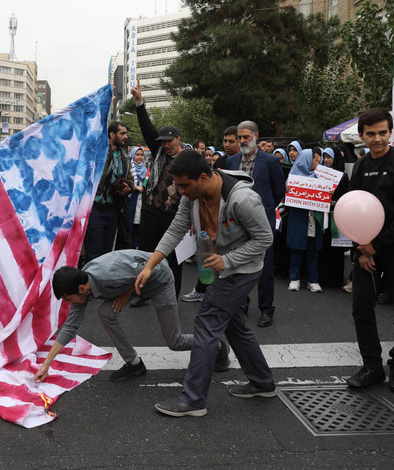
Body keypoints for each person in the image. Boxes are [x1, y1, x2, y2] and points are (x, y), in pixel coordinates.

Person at [136, 150, 276, 417]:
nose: (180, 191)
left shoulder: (243, 199)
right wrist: (150, 264)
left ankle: (193, 399)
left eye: (184, 185)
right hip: (219, 267)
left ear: (203, 177)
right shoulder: (194, 194)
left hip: (241, 270)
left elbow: (264, 239)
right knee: (234, 326)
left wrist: (228, 260)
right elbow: (177, 228)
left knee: (207, 322)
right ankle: (262, 382)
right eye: (177, 185)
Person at [347, 108, 394, 393]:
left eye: (382, 132)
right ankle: (372, 366)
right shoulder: (361, 166)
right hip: (366, 252)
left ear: (391, 132)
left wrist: (376, 245)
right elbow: (352, 209)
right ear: (361, 136)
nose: (377, 139)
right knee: (361, 309)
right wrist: (362, 249)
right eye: (371, 134)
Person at [35, 250, 201, 383]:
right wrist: (46, 365)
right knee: (105, 312)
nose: (69, 303)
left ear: (81, 288)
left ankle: (214, 345)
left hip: (159, 279)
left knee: (175, 342)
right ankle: (134, 363)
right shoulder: (83, 284)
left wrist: (126, 293)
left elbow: (151, 267)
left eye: (69, 299)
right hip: (132, 283)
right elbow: (70, 327)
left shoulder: (111, 276)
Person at [223, 120, 285, 326]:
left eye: (246, 137)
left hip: (262, 223)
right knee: (239, 266)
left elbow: (279, 193)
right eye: (239, 137)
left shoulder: (270, 162)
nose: (242, 141)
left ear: (256, 137)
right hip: (236, 224)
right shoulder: (231, 162)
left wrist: (262, 212)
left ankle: (267, 309)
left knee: (265, 268)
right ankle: (242, 305)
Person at [130, 82, 185, 302]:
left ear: (178, 138)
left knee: (172, 258)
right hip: (151, 212)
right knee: (146, 255)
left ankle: (172, 295)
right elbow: (147, 128)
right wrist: (139, 103)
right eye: (163, 142)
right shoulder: (159, 153)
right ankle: (142, 293)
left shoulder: (190, 159)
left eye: (170, 140)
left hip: (174, 216)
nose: (167, 145)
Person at [82, 122, 131, 263]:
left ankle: (102, 284)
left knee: (107, 253)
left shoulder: (125, 158)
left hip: (113, 210)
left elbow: (131, 181)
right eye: (122, 133)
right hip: (96, 208)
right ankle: (90, 282)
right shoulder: (100, 153)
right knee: (94, 251)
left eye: (126, 133)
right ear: (111, 134)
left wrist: (129, 188)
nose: (126, 137)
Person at [286, 148, 324, 293]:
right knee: (296, 250)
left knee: (313, 251)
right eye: (314, 159)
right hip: (299, 219)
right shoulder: (292, 178)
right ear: (306, 160)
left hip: (314, 219)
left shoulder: (320, 178)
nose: (317, 162)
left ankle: (313, 280)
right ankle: (294, 279)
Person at [318, 146, 350, 288]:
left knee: (336, 248)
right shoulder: (319, 175)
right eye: (325, 157)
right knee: (324, 247)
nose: (326, 160)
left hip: (336, 217)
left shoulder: (343, 177)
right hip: (323, 216)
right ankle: (323, 277)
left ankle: (336, 278)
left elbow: (344, 198)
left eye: (329, 157)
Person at [127, 146, 147, 249]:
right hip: (131, 200)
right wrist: (135, 187)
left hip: (141, 202)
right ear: (132, 155)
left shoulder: (146, 170)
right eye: (137, 155)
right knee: (128, 229)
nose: (140, 157)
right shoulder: (128, 167)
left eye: (141, 155)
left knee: (138, 229)